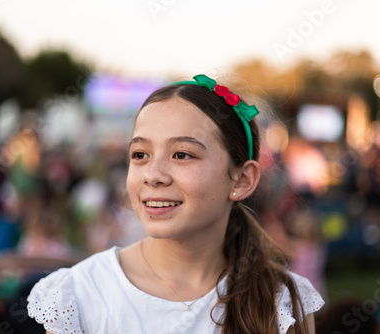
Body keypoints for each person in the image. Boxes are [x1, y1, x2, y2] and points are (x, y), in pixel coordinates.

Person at [27, 74, 324, 333]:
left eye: (182, 154)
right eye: (140, 154)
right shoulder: (81, 294)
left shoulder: (282, 302)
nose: (153, 175)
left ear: (242, 180)